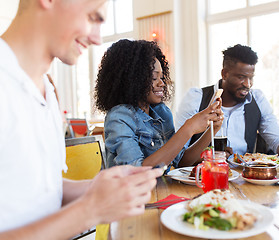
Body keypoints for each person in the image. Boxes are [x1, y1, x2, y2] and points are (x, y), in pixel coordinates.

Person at [0, 0, 163, 239]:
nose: (97, 38)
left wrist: (98, 189)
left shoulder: (44, 87)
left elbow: (39, 190)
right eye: (92, 17)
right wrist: (90, 210)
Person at [94, 39, 223, 169]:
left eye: (161, 77)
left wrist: (212, 129)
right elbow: (136, 172)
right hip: (131, 189)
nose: (161, 83)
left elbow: (180, 161)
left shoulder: (161, 112)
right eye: (154, 78)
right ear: (132, 80)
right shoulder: (119, 117)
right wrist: (188, 128)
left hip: (161, 189)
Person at [175, 44, 279, 158]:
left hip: (244, 177)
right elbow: (178, 151)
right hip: (201, 176)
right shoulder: (196, 98)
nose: (248, 84)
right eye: (241, 77)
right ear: (224, 74)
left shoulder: (258, 99)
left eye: (251, 78)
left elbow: (276, 139)